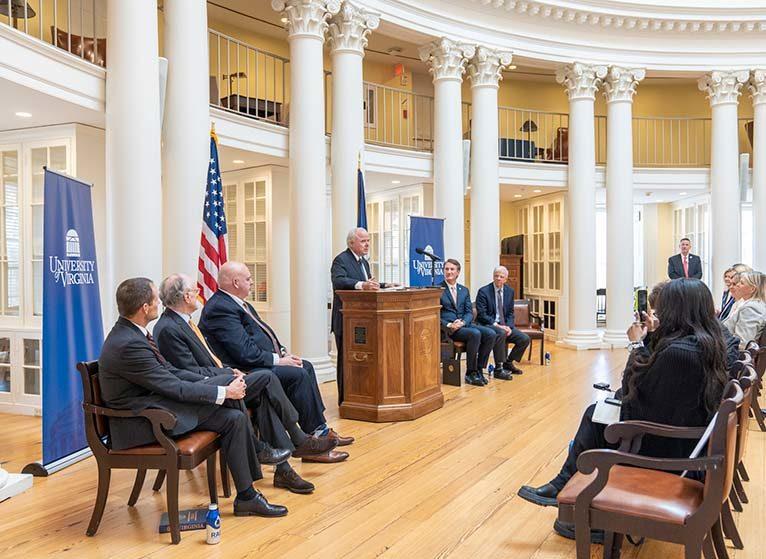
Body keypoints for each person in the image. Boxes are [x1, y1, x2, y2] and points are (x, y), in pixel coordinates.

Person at [518, 279, 728, 526]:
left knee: (596, 414)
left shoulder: (681, 353)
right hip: (686, 439)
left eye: (663, 309)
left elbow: (636, 392)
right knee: (597, 412)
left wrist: (636, 344)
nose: (658, 313)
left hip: (669, 450)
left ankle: (579, 497)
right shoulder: (704, 341)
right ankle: (568, 487)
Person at [98, 278, 287, 517]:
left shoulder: (134, 334)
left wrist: (216, 382)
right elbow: (172, 386)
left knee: (234, 418)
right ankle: (260, 452)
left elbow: (171, 373)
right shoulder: (128, 344)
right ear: (144, 307)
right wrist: (222, 391)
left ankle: (247, 497)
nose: (159, 303)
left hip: (158, 406)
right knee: (237, 391)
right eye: (156, 298)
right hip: (143, 421)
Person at [154, 273, 338, 493]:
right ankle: (296, 441)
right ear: (185, 297)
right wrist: (227, 375)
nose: (199, 294)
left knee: (264, 397)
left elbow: (208, 358)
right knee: (267, 378)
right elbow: (189, 372)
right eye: (194, 290)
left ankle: (285, 469)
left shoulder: (184, 322)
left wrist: (228, 370)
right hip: (209, 391)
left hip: (221, 376)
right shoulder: (168, 328)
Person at [200, 261, 352, 463]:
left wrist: (282, 353)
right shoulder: (221, 308)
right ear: (236, 282)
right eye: (248, 278)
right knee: (297, 374)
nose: (252, 282)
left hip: (257, 362)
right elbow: (243, 352)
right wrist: (279, 361)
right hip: (244, 369)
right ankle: (313, 441)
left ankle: (318, 431)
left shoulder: (238, 303)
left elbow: (262, 334)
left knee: (305, 366)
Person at [330, 227, 394, 404]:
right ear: (352, 242)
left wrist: (384, 284)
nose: (367, 244)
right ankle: (345, 399)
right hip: (346, 320)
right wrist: (362, 285)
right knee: (346, 361)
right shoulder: (341, 260)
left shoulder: (364, 262)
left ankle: (363, 396)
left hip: (364, 321)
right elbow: (339, 281)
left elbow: (368, 283)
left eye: (368, 241)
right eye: (363, 241)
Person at [439, 259, 497, 386]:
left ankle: (479, 369)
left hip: (464, 326)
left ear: (458, 272)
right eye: (446, 269)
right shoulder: (437, 290)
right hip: (449, 330)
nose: (449, 272)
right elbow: (435, 315)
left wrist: (463, 322)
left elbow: (469, 312)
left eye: (452, 269)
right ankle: (470, 373)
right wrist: (450, 325)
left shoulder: (464, 290)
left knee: (491, 333)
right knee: (475, 334)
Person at [475, 266, 530, 378]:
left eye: (501, 277)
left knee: (524, 339)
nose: (498, 278)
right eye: (496, 276)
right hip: (489, 324)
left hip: (504, 325)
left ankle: (508, 362)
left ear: (506, 279)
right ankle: (498, 369)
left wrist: (509, 326)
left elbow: (510, 312)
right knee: (501, 332)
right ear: (493, 277)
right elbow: (482, 314)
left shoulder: (509, 291)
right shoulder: (483, 291)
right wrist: (498, 325)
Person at [722, 270, 766, 349]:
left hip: (727, 353)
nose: (737, 285)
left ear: (752, 289)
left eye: (741, 283)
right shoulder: (745, 303)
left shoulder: (752, 308)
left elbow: (742, 343)